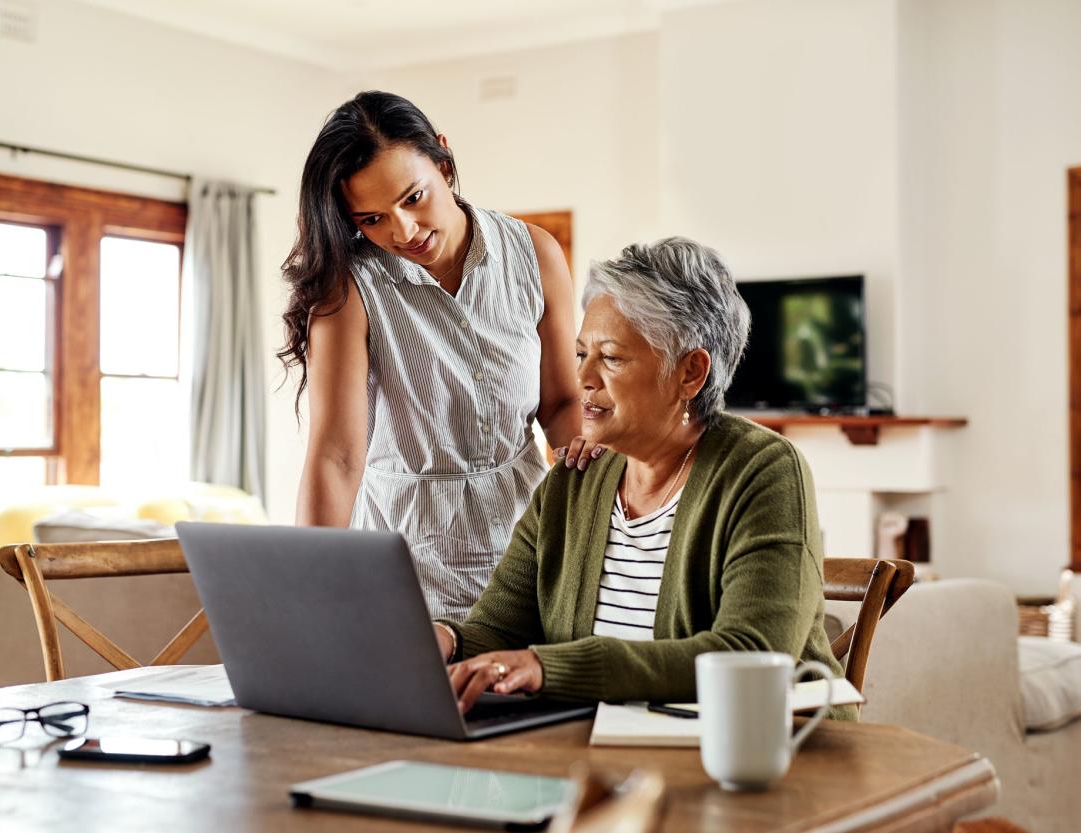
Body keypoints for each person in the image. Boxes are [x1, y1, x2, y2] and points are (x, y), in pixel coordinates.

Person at [432, 236, 855, 719]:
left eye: (611, 357)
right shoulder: (573, 478)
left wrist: (548, 667)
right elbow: (499, 629)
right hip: (600, 749)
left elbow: (753, 654)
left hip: (760, 752)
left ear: (690, 373)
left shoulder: (764, 471)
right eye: (581, 354)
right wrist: (446, 639)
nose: (583, 378)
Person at [280, 91, 599, 619]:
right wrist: (310, 593)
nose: (403, 232)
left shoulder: (534, 254)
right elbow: (336, 456)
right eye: (371, 219)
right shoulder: (349, 290)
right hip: (403, 572)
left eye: (412, 198)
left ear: (444, 164)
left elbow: (562, 401)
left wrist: (599, 499)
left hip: (524, 560)